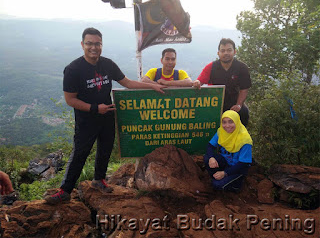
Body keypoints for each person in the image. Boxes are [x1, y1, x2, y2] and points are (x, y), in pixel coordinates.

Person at [45, 27, 165, 205]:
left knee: (105, 149)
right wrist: (94, 108)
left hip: (107, 115)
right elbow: (70, 99)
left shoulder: (107, 64)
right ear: (82, 44)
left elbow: (128, 83)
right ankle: (65, 190)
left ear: (102, 45)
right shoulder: (73, 69)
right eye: (90, 43)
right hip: (86, 120)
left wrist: (152, 86)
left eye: (97, 44)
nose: (94, 47)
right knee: (80, 153)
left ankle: (99, 180)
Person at [193, 38, 251, 126]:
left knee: (244, 112)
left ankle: (241, 138)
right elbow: (199, 81)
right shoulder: (211, 67)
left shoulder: (242, 67)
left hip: (234, 103)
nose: (226, 53)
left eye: (229, 50)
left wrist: (238, 105)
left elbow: (244, 89)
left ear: (234, 52)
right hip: (215, 104)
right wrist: (197, 83)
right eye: (223, 51)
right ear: (218, 53)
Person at [203, 110, 253, 192]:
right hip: (226, 162)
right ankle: (218, 177)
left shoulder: (245, 140)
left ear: (236, 122)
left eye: (231, 122)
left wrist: (225, 173)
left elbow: (243, 163)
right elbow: (210, 146)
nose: (227, 126)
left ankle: (236, 185)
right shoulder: (221, 132)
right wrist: (211, 158)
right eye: (224, 122)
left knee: (217, 185)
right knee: (207, 158)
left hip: (238, 169)